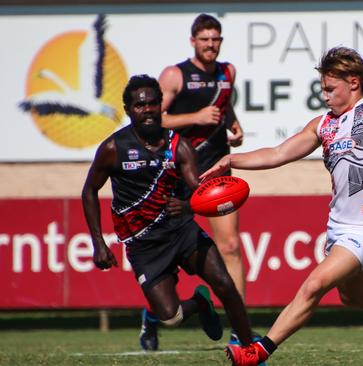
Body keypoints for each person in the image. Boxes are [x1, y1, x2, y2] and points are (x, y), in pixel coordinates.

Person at [200, 46, 363, 366]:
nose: (325, 96)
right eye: (322, 89)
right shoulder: (323, 125)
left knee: (315, 284)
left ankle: (257, 352)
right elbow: (278, 153)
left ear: (354, 83)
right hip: (339, 228)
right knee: (354, 296)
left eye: (330, 89)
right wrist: (231, 159)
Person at [81, 74, 253, 352]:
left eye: (152, 104)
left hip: (181, 230)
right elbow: (88, 192)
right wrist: (99, 244)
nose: (147, 110)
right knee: (170, 317)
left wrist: (188, 206)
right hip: (143, 243)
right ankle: (199, 303)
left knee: (225, 284)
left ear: (161, 105)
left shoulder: (179, 145)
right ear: (128, 110)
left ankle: (250, 350)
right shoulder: (114, 149)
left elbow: (196, 191)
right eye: (139, 105)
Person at [152, 13, 248, 347]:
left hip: (216, 171)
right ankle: (153, 315)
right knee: (165, 256)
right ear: (193, 41)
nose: (211, 44)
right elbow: (152, 120)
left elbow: (224, 105)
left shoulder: (228, 72)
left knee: (232, 246)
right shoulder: (175, 74)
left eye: (216, 39)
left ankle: (239, 329)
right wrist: (195, 117)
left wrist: (233, 126)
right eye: (205, 39)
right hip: (177, 172)